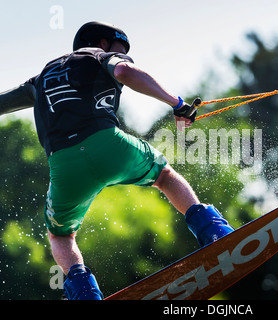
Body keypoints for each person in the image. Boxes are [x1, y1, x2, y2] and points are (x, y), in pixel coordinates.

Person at [0, 21, 234, 300]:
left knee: (60, 235)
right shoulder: (96, 56)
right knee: (164, 176)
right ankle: (214, 232)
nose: (126, 57)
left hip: (64, 166)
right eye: (121, 50)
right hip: (107, 144)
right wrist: (177, 104)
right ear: (102, 44)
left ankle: (85, 293)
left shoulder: (40, 79)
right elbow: (123, 71)